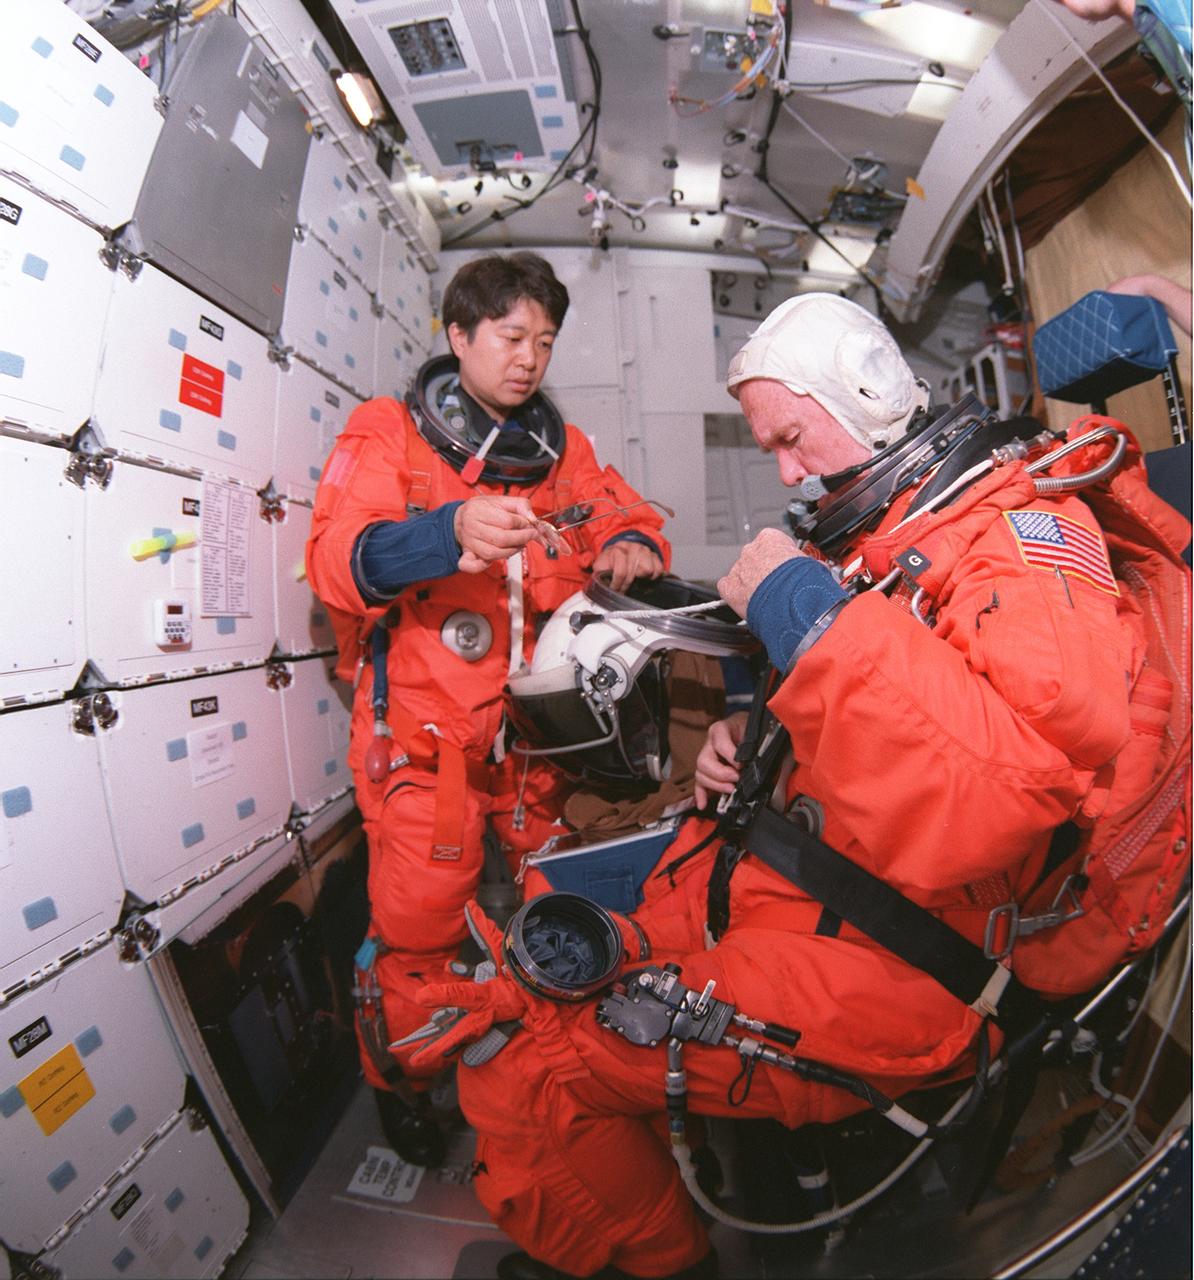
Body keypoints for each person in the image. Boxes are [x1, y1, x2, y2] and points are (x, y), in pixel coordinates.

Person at [405, 292, 1191, 1280]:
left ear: (861, 393)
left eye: (786, 438)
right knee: (530, 985)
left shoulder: (1023, 538)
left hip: (911, 959)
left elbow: (998, 797)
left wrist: (798, 607)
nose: (782, 470)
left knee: (535, 1070)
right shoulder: (905, 533)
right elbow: (898, 712)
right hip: (811, 878)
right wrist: (757, 734)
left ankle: (664, 1264)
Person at [305, 252, 669, 1165]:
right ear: (459, 335)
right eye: (511, 337)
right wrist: (446, 532)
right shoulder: (389, 432)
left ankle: (547, 1078)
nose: (529, 359)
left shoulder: (557, 449)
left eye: (544, 341)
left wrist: (628, 542)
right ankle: (408, 1083)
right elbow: (337, 564)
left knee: (552, 909)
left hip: (529, 751)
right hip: (426, 749)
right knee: (420, 939)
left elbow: (620, 510)